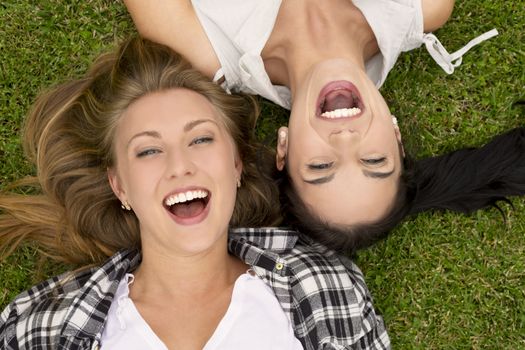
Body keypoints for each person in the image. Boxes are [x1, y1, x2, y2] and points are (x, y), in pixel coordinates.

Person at [0, 38, 390, 349]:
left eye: (201, 139)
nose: (179, 165)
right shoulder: (38, 329)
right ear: (120, 186)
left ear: (236, 164)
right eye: (149, 150)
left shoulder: (328, 287)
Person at [122, 0, 506, 252]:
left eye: (321, 166)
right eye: (373, 159)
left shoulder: (204, 50)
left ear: (283, 149)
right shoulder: (421, 5)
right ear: (396, 135)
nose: (345, 140)